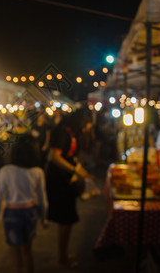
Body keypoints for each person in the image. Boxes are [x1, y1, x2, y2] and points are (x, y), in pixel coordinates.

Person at [0, 135, 48, 273]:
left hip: (12, 214)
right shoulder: (38, 172)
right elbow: (42, 198)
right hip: (31, 212)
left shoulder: (6, 171)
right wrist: (44, 218)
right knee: (28, 251)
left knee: (15, 256)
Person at [45, 109, 94, 268]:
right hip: (58, 180)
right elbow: (54, 157)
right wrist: (75, 170)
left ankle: (63, 254)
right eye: (86, 124)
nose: (87, 128)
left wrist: (79, 169)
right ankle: (62, 257)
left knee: (66, 219)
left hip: (66, 179)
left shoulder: (70, 132)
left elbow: (69, 156)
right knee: (66, 218)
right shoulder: (62, 132)